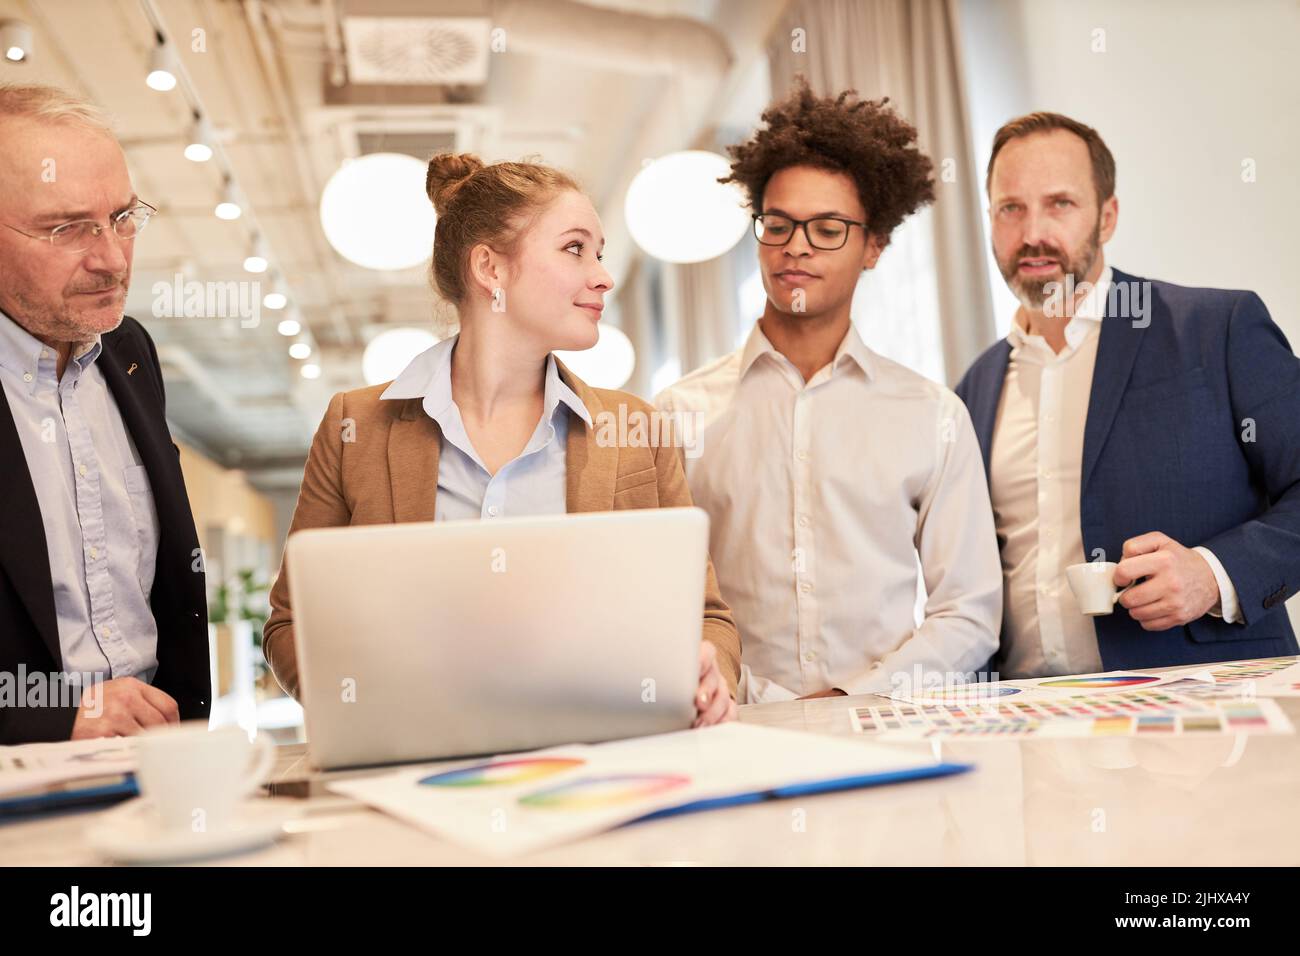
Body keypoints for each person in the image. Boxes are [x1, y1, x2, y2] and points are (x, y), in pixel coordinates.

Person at [265, 154, 740, 726]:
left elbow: (708, 618)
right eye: (574, 248)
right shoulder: (357, 427)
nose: (603, 276)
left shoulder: (636, 431)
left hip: (603, 766)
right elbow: (291, 623)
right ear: (491, 269)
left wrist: (713, 672)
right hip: (414, 772)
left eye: (600, 252)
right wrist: (363, 711)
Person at [656, 80, 1002, 702]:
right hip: (733, 733)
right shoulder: (679, 414)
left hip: (890, 736)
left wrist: (858, 700)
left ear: (874, 246)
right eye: (779, 224)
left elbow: (969, 612)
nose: (796, 247)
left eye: (828, 229)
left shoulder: (932, 415)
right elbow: (661, 598)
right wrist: (754, 698)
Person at [955, 111, 1300, 676]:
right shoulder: (975, 387)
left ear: (1107, 216)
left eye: (1060, 203)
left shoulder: (1218, 328)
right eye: (1010, 208)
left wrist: (1214, 574)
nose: (1032, 232)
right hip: (1024, 730)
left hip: (1206, 718)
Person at [0, 84, 209, 744]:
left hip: (160, 768)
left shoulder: (128, 352)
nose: (113, 259)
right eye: (66, 228)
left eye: (123, 217)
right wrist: (57, 718)